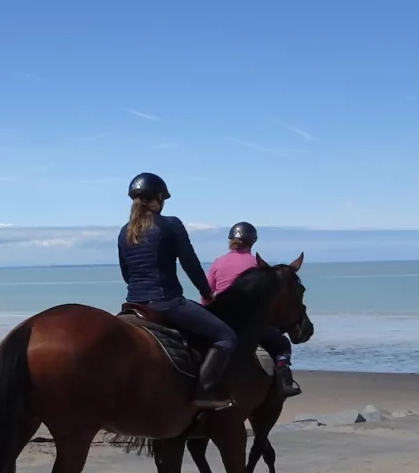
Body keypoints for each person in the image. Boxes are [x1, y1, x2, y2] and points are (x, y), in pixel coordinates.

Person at [118, 172, 235, 408]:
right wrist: (206, 293)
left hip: (133, 303)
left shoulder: (125, 231)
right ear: (159, 197)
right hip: (166, 302)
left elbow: (126, 273)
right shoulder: (170, 224)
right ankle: (205, 391)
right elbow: (190, 263)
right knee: (226, 336)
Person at [206, 221, 301, 397]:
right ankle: (284, 381)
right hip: (246, 322)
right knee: (281, 344)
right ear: (252, 241)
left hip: (218, 319)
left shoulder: (218, 262)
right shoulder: (257, 266)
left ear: (230, 241)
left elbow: (206, 293)